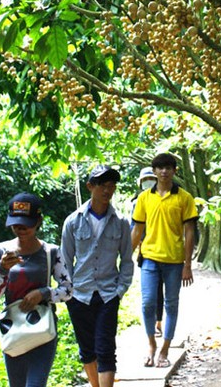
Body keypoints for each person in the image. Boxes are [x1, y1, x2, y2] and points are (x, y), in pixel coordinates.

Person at [0, 192, 73, 387]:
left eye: (26, 223)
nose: (21, 228)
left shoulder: (51, 252)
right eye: (16, 223)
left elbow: (68, 289)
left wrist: (44, 293)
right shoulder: (1, 251)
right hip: (13, 328)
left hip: (42, 328)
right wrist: (2, 269)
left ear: (38, 222)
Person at [61, 165, 133, 387]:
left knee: (105, 348)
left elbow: (127, 260)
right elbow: (65, 261)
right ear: (90, 186)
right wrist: (69, 293)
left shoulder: (120, 222)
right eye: (103, 185)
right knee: (87, 350)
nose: (107, 191)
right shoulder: (73, 221)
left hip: (107, 295)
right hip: (79, 295)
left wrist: (120, 290)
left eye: (112, 186)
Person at [131, 153, 199, 368]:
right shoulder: (144, 198)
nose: (164, 171)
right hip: (149, 258)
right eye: (159, 168)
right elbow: (137, 230)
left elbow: (190, 233)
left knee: (171, 304)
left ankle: (165, 349)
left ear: (174, 170)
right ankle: (151, 344)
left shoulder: (184, 198)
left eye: (168, 167)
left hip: (174, 260)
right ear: (154, 171)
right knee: (148, 302)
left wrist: (188, 265)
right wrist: (123, 259)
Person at [133, 167, 164, 337]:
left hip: (166, 251)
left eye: (150, 179)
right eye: (145, 180)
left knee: (160, 288)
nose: (148, 183)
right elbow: (134, 228)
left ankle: (158, 321)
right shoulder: (136, 202)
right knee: (149, 291)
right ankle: (152, 323)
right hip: (145, 252)